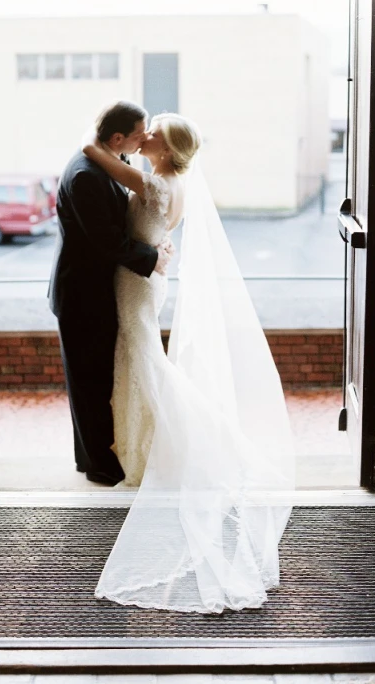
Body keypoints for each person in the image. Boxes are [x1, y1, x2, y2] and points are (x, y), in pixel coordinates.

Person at [82, 113, 296, 614]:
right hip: (146, 276)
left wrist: (99, 137)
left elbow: (96, 155)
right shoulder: (173, 180)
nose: (146, 133)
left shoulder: (155, 180)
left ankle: (192, 438)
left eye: (153, 129)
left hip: (137, 284)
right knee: (140, 358)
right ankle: (145, 441)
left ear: (166, 144)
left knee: (148, 361)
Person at [48, 101, 172, 486]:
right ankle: (99, 466)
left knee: (97, 378)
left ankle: (96, 456)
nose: (145, 138)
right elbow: (106, 241)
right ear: (118, 137)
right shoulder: (86, 176)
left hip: (99, 287)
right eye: (140, 133)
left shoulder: (107, 158)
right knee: (89, 383)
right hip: (83, 292)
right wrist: (153, 259)